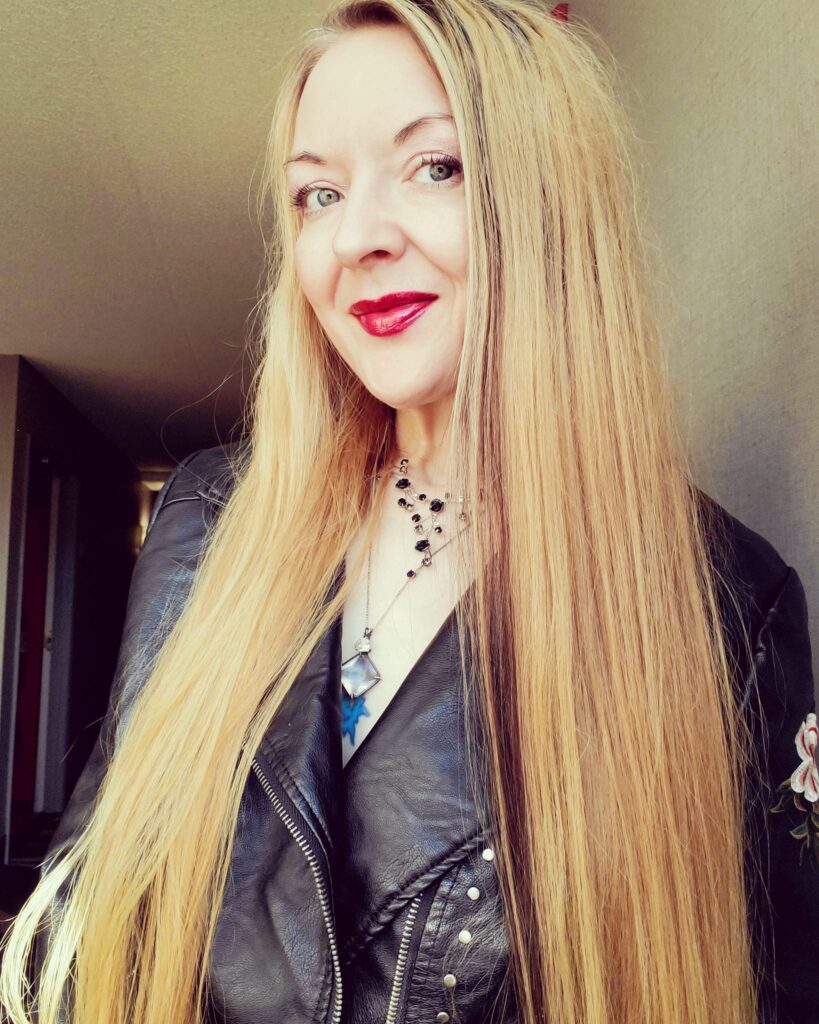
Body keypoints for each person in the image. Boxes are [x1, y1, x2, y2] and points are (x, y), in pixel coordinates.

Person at [1, 1, 817, 1022]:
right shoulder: (208, 517)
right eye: (318, 193)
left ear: (551, 204)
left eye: (436, 167)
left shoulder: (729, 603)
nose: (355, 238)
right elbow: (85, 914)